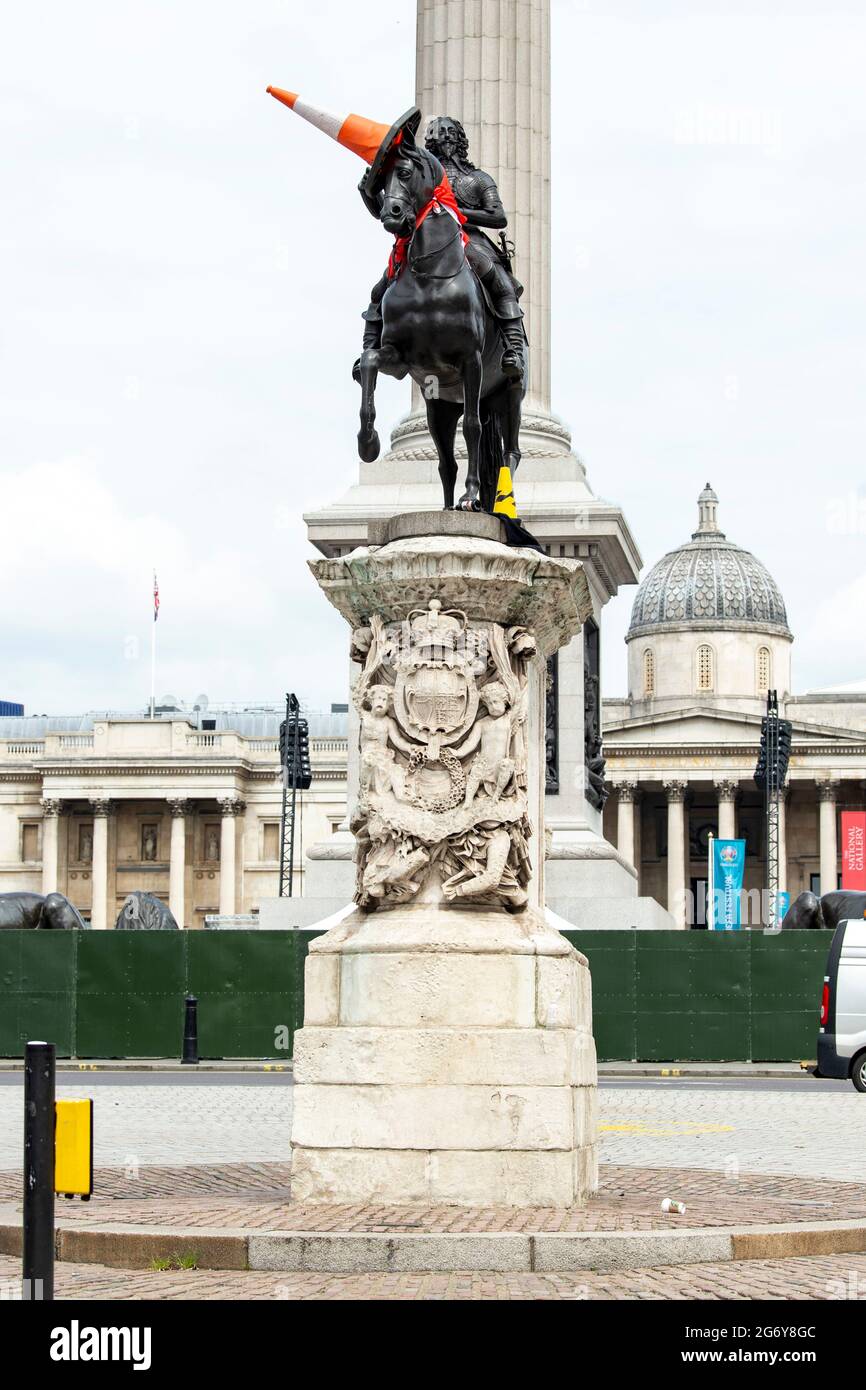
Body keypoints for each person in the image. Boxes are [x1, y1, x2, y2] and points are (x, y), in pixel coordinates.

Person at [358, 115, 525, 380]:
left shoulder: (478, 179)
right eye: (439, 134)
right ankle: (369, 350)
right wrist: (369, 192)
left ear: (460, 140)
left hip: (468, 240)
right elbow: (388, 212)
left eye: (451, 134)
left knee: (499, 280)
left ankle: (513, 349)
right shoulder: (421, 178)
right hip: (423, 241)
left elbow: (497, 216)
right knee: (381, 287)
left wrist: (456, 212)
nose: (445, 137)